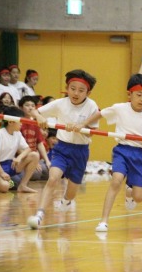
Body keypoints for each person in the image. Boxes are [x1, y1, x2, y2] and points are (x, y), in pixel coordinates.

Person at [77, 73, 142, 232]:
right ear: (130, 94)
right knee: (116, 180)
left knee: (139, 197)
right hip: (122, 151)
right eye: (139, 95)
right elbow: (100, 113)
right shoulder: (119, 108)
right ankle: (103, 221)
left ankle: (129, 192)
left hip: (140, 155)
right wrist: (83, 124)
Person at [26, 69, 99, 229]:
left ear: (88, 92)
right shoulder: (60, 103)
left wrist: (82, 127)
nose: (76, 93)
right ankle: (39, 215)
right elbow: (34, 111)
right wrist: (39, 118)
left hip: (80, 151)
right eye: (72, 88)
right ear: (67, 88)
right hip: (62, 149)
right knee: (53, 179)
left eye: (81, 90)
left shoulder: (92, 107)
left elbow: (91, 135)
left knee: (72, 191)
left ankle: (66, 201)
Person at [0, 106, 39, 193]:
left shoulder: (17, 133)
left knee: (35, 155)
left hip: (10, 164)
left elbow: (28, 149)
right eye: (20, 121)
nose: (21, 124)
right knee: (4, 187)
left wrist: (19, 158)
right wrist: (1, 172)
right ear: (11, 122)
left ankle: (23, 185)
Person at [18, 95, 50, 180]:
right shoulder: (18, 123)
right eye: (27, 105)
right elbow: (17, 147)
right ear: (21, 107)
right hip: (23, 157)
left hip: (35, 157)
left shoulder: (35, 123)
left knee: (49, 170)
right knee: (36, 174)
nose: (30, 108)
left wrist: (47, 161)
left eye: (33, 106)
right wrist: (33, 162)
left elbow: (39, 143)